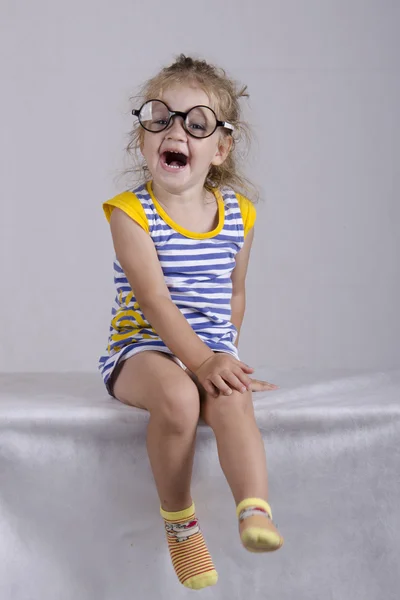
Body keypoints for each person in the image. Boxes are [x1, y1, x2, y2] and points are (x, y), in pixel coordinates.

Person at [98, 54, 284, 591]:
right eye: (160, 117)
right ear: (143, 138)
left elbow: (235, 292)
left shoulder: (239, 214)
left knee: (234, 400)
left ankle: (255, 509)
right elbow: (154, 300)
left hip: (202, 351)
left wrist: (223, 359)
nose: (174, 130)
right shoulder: (130, 213)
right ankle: (180, 524)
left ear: (220, 148)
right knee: (179, 398)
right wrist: (198, 362)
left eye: (196, 123)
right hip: (141, 352)